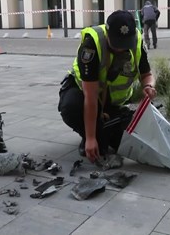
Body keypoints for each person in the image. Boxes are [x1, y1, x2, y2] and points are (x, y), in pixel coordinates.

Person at [58, 10, 157, 163]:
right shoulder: (92, 44)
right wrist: (90, 138)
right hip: (84, 96)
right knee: (71, 107)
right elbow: (90, 98)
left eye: (125, 45)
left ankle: (102, 132)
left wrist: (149, 86)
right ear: (107, 35)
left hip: (113, 105)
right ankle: (90, 136)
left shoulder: (136, 40)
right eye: (117, 44)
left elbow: (147, 75)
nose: (121, 49)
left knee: (127, 142)